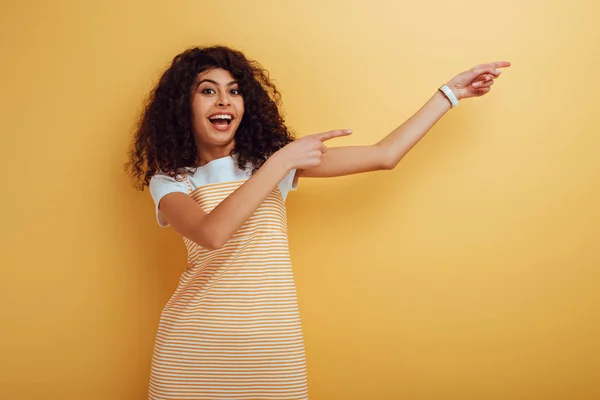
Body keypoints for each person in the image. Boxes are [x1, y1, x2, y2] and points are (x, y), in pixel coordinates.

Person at [125, 45, 510, 399]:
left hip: (273, 351)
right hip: (193, 351)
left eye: (235, 91)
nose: (224, 100)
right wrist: (281, 161)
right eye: (207, 91)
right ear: (182, 105)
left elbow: (385, 155)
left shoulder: (272, 162)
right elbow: (212, 233)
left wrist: (449, 94)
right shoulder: (171, 180)